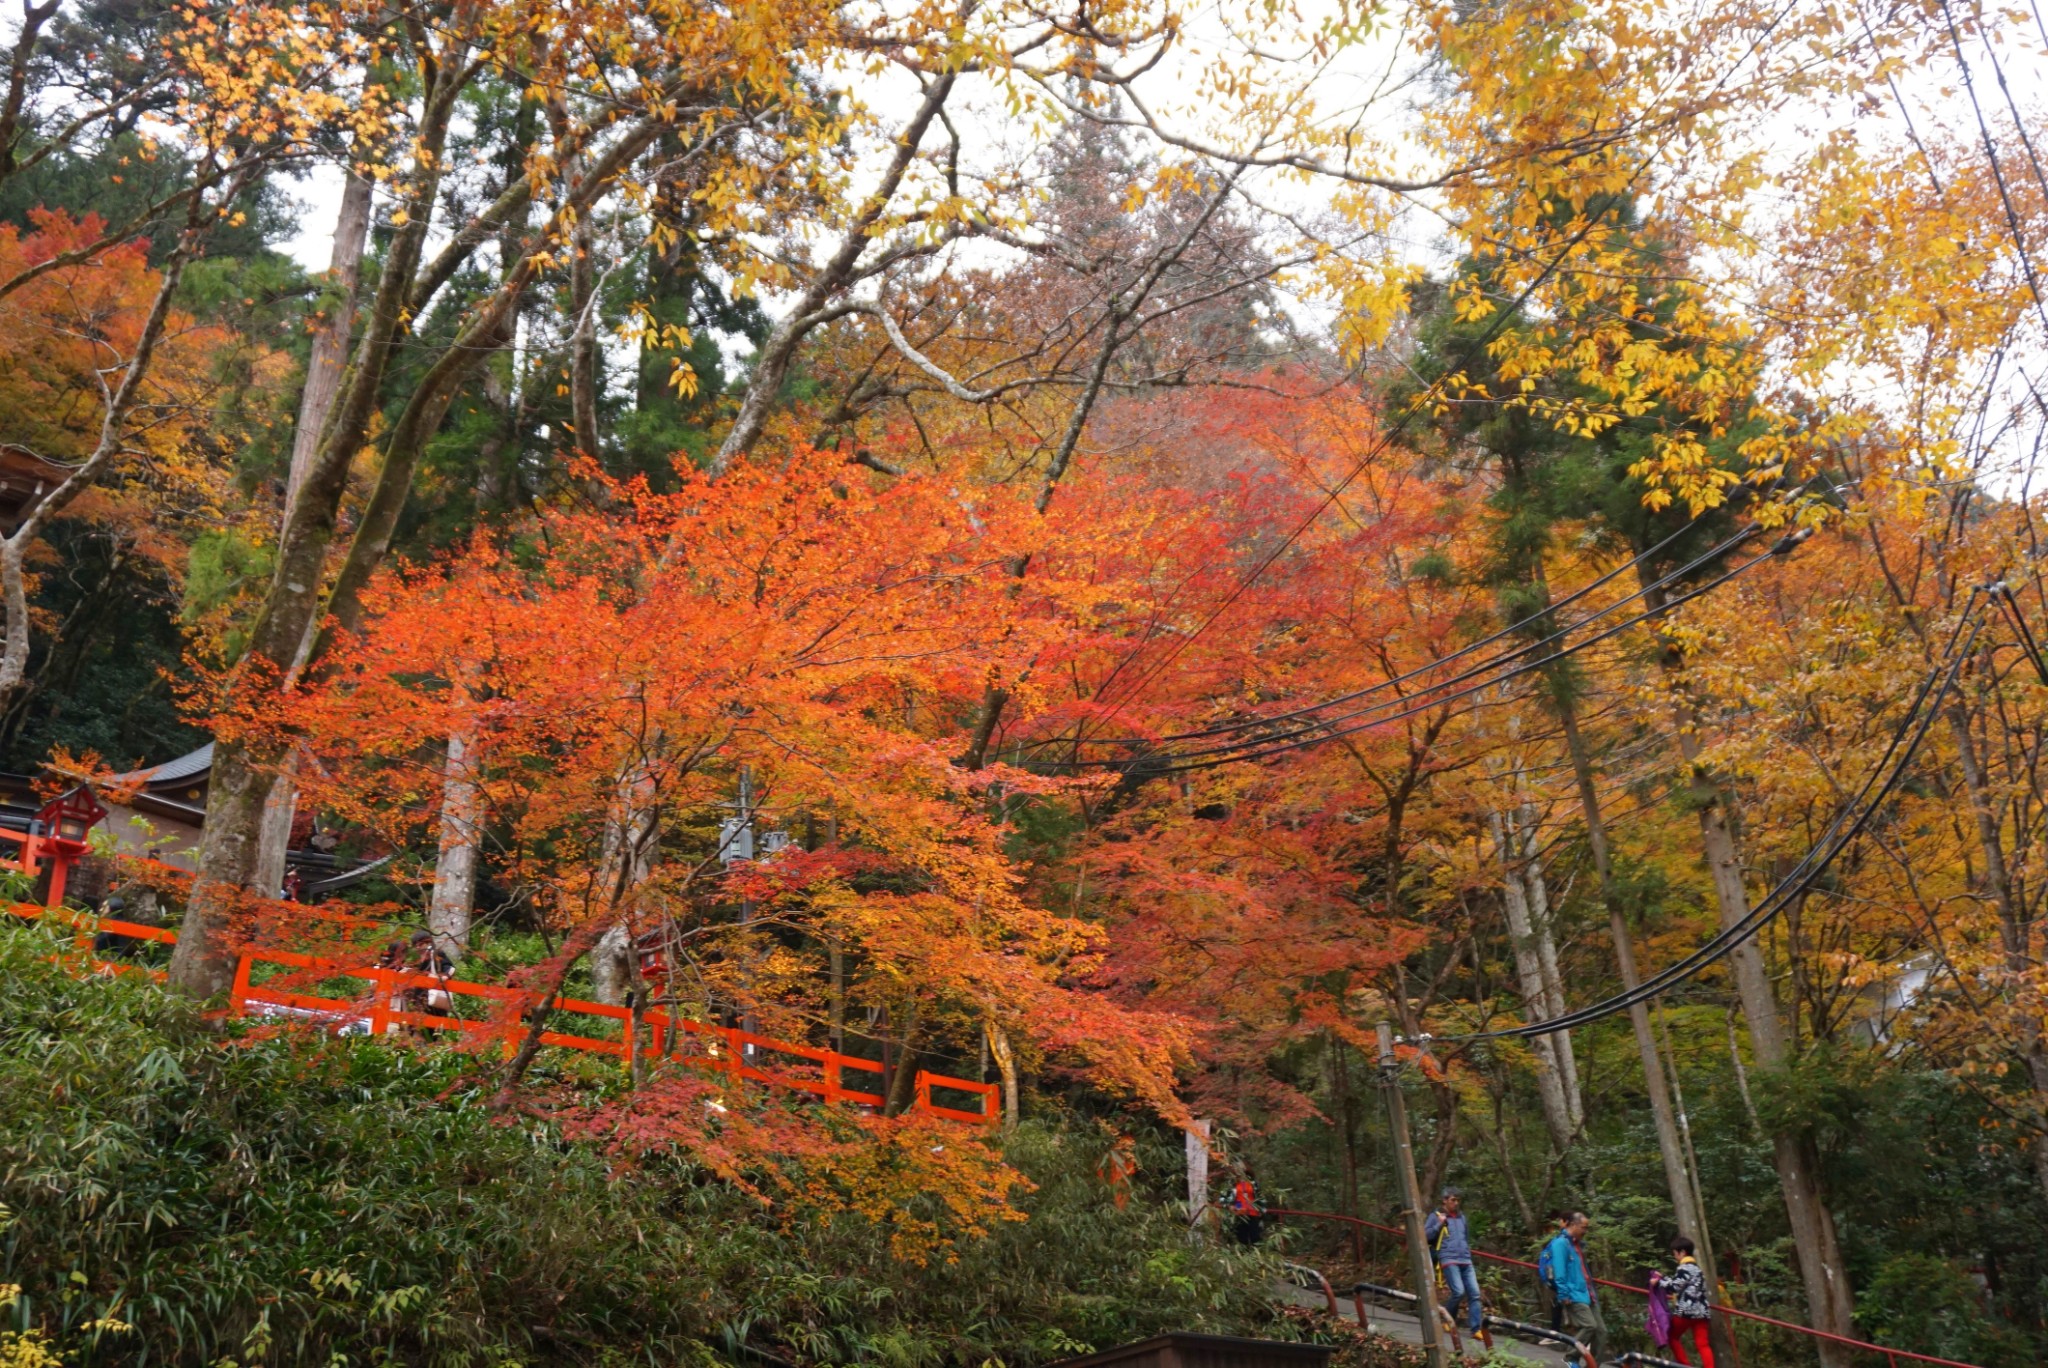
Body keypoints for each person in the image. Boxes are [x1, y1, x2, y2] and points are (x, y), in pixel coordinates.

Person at [1425, 1187, 1489, 1347]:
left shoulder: (1462, 1218)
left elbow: (1465, 1238)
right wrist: (1439, 1225)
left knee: (1474, 1294)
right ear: (1445, 1200)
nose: (1456, 1203)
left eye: (1457, 1200)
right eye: (1453, 1200)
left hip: (1465, 1259)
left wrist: (1467, 1252)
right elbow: (1426, 1235)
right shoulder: (1435, 1216)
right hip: (1448, 1258)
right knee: (1459, 1292)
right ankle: (1448, 1317)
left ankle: (1475, 1329)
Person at [1541, 1211, 1605, 1368]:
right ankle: (1571, 1357)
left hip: (1588, 1292)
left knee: (1602, 1332)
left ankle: (1593, 1365)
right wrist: (1563, 1294)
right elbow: (1559, 1272)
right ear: (1574, 1225)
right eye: (1584, 1227)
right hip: (1573, 1293)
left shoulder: (1576, 1244)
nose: (1586, 1231)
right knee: (1590, 1326)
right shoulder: (1560, 1244)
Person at [1656, 1236, 1715, 1368]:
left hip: (1687, 1311)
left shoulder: (1684, 1268)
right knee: (1703, 1344)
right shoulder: (1697, 1269)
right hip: (1702, 1311)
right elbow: (1682, 1283)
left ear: (1682, 1252)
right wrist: (1664, 1278)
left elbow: (1674, 1287)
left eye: (1675, 1253)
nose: (1675, 1256)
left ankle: (1684, 1365)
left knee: (1672, 1336)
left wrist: (1658, 1282)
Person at [1227, 1168, 1262, 1245]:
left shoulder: (1253, 1184)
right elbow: (1236, 1198)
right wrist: (1236, 1207)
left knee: (1254, 1236)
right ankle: (1243, 1253)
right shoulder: (1236, 1185)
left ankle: (1255, 1254)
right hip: (1240, 1213)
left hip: (1252, 1212)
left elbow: (1258, 1198)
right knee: (1241, 1236)